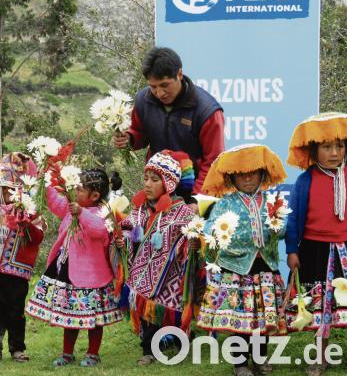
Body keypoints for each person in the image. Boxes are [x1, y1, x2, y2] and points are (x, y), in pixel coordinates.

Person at [197, 144, 289, 376]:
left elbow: (282, 228)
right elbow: (210, 229)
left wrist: (278, 226)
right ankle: (240, 363)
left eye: (253, 173)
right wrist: (219, 234)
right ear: (231, 177)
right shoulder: (224, 203)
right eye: (241, 174)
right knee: (239, 318)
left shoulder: (271, 201)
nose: (248, 178)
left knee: (262, 318)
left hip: (265, 267)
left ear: (262, 174)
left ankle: (259, 358)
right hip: (235, 270)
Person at [26, 168, 124, 367]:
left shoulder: (103, 213)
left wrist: (81, 213)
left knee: (94, 319)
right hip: (68, 271)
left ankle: (93, 353)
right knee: (69, 314)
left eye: (79, 189)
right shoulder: (72, 207)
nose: (75, 192)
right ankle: (67, 353)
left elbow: (99, 231)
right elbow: (54, 201)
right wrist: (43, 178)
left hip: (92, 277)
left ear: (94, 196)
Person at [284, 113, 347, 376]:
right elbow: (293, 218)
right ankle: (321, 356)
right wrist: (292, 250)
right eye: (327, 147)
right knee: (319, 307)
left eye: (340, 146)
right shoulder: (305, 181)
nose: (334, 153)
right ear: (314, 150)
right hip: (315, 251)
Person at [112, 47, 224, 197]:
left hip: (193, 190)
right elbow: (139, 132)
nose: (160, 93)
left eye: (165, 85)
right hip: (158, 190)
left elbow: (213, 162)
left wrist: (197, 199)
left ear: (179, 74)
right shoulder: (143, 100)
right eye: (153, 87)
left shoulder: (207, 111)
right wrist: (129, 138)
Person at [118, 150, 197, 365]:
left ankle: (178, 341)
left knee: (170, 311)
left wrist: (190, 243)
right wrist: (122, 239)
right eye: (146, 178)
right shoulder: (140, 210)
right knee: (147, 312)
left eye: (154, 180)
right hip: (142, 274)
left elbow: (193, 233)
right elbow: (127, 228)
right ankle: (148, 351)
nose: (147, 184)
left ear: (169, 184)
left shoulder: (181, 211)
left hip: (170, 275)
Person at [0, 153, 44, 363]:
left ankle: (17, 348)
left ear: (6, 187)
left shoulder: (27, 210)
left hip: (17, 275)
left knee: (15, 312)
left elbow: (37, 237)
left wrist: (26, 223)